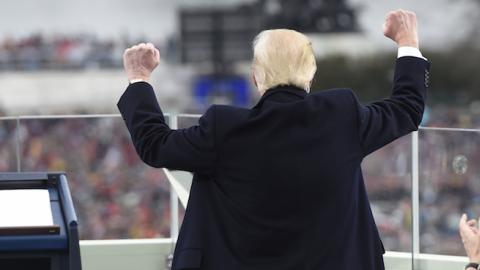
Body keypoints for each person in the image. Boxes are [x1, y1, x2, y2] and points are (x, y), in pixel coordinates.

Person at [118, 9, 429, 270]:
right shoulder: (342, 115)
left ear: (256, 77)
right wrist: (407, 42)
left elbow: (155, 145)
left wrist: (139, 78)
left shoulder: (223, 128)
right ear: (311, 75)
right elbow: (406, 109)